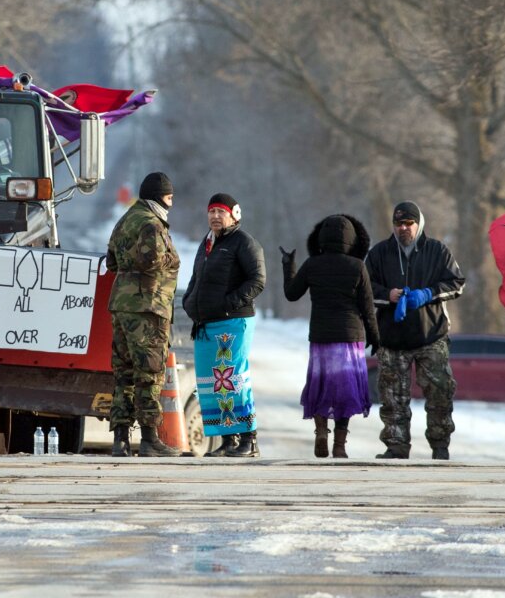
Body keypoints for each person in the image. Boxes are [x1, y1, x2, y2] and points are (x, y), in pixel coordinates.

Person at [365, 201, 465, 460]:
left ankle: (440, 445)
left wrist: (429, 293)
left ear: (419, 224)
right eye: (398, 224)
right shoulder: (379, 253)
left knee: (440, 392)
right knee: (392, 397)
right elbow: (363, 289)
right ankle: (396, 445)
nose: (403, 228)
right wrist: (388, 295)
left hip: (431, 336)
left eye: (409, 223)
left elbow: (457, 283)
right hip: (392, 337)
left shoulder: (437, 251)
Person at [281, 214, 380, 459]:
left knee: (321, 385)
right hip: (350, 338)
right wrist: (375, 337)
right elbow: (367, 307)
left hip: (321, 337)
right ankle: (340, 444)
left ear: (321, 237)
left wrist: (288, 265)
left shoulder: (313, 264)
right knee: (345, 391)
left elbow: (292, 294)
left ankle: (321, 432)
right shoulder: (357, 266)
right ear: (352, 240)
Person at [105, 172, 183, 458]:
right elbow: (151, 261)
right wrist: (172, 259)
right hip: (147, 307)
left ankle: (120, 440)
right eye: (169, 197)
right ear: (158, 196)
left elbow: (111, 260)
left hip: (121, 305)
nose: (171, 203)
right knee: (149, 371)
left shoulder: (125, 219)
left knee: (123, 373)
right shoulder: (151, 223)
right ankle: (150, 439)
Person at [183, 193, 266, 457]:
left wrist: (227, 303)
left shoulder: (244, 242)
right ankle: (229, 440)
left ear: (234, 215)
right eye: (211, 212)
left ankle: (249, 440)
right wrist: (189, 301)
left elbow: (257, 280)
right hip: (206, 324)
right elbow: (197, 278)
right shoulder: (206, 244)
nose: (215, 217)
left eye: (221, 212)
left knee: (232, 380)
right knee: (210, 383)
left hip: (232, 322)